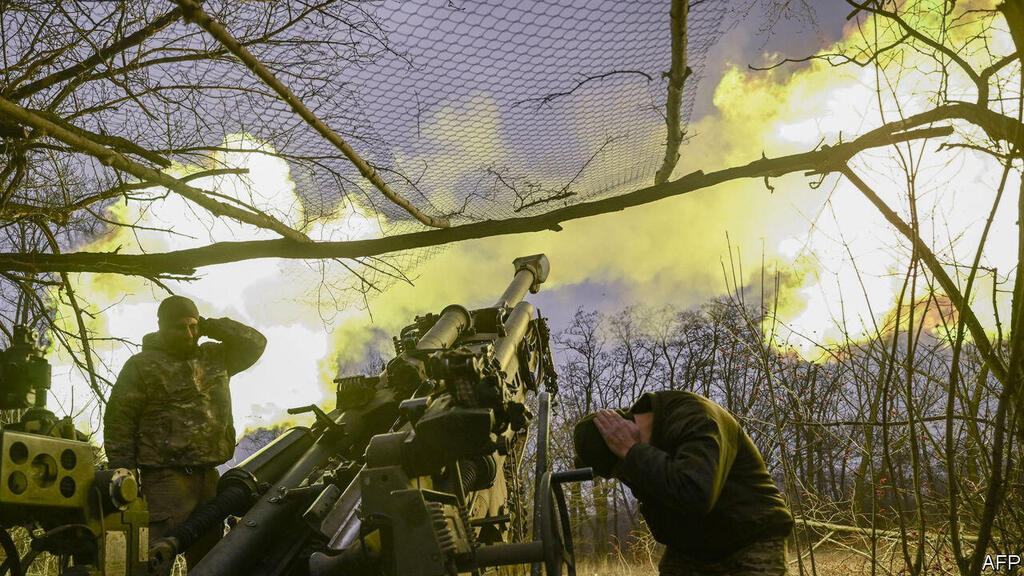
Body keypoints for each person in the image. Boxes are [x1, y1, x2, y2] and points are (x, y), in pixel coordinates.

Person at [104, 295, 266, 569]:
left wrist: (211, 326)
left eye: (194, 326)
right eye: (181, 327)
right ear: (163, 328)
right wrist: (126, 480)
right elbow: (120, 422)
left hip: (209, 479)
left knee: (210, 564)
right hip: (166, 481)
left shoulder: (216, 357)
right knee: (152, 561)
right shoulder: (142, 365)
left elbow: (255, 343)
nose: (189, 334)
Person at [573, 390, 794, 576]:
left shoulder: (695, 416)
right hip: (697, 546)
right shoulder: (643, 458)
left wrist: (634, 453)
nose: (628, 479)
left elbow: (696, 494)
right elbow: (664, 532)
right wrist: (638, 468)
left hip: (752, 534)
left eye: (623, 471)